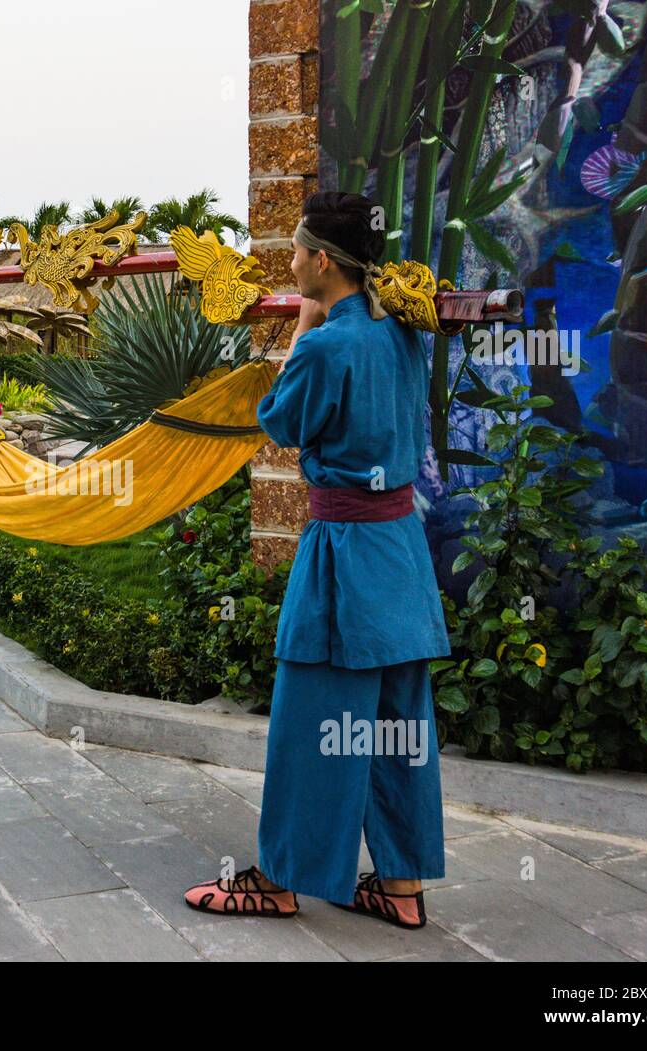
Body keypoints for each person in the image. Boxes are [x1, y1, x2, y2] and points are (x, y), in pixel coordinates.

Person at [182, 191, 450, 929]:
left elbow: (282, 420)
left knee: (312, 717)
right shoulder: (402, 331)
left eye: (298, 251)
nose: (291, 262)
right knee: (399, 723)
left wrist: (305, 324)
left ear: (323, 261)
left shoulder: (331, 344)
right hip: (401, 551)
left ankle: (279, 877)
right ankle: (400, 890)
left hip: (344, 558)